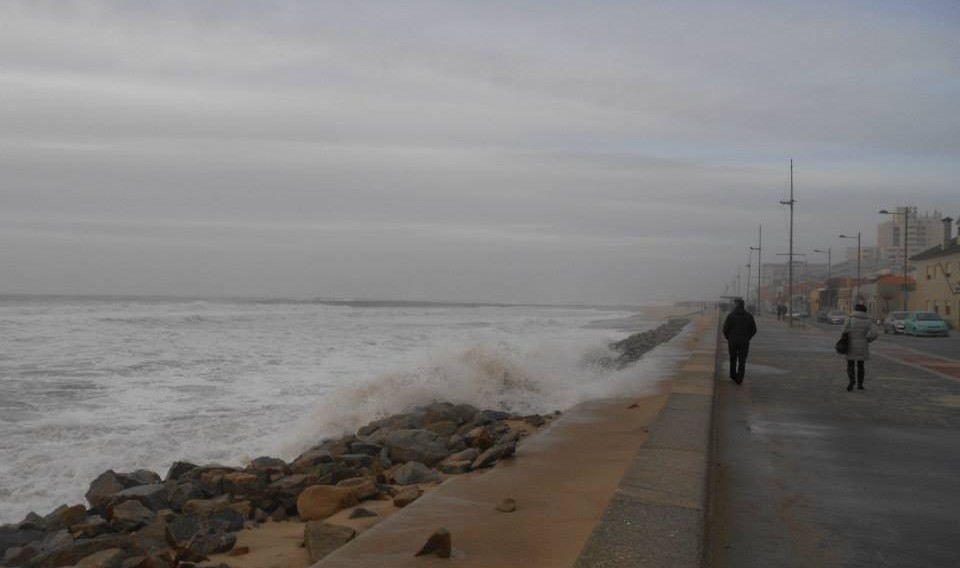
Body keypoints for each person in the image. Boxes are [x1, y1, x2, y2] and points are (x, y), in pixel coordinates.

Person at [841, 303, 878, 391]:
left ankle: (852, 380)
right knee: (861, 365)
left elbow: (844, 330)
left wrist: (846, 337)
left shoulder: (850, 318)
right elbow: (875, 334)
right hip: (863, 344)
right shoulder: (869, 320)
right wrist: (868, 339)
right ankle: (860, 385)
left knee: (850, 364)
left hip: (850, 344)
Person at [723, 298, 757, 384]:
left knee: (733, 358)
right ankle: (740, 378)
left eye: (734, 304)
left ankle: (733, 375)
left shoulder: (730, 316)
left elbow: (725, 329)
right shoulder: (749, 316)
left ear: (736, 304)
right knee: (742, 360)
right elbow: (754, 330)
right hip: (744, 342)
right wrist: (748, 337)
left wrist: (729, 338)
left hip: (733, 341)